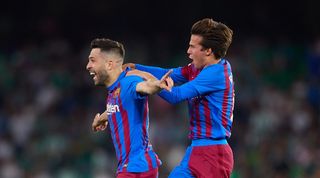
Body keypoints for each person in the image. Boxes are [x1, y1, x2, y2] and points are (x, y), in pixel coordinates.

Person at [124, 18, 235, 178]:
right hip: (196, 151)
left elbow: (175, 96)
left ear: (208, 51)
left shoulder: (216, 73)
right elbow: (169, 73)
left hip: (214, 154)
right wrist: (135, 67)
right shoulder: (198, 68)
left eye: (192, 46)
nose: (188, 51)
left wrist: (144, 76)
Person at [86, 38, 172, 178]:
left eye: (93, 60)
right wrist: (102, 118)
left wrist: (156, 86)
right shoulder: (116, 88)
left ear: (109, 64)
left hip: (134, 169)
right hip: (140, 165)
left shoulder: (128, 82)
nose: (88, 65)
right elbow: (119, 105)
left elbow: (142, 87)